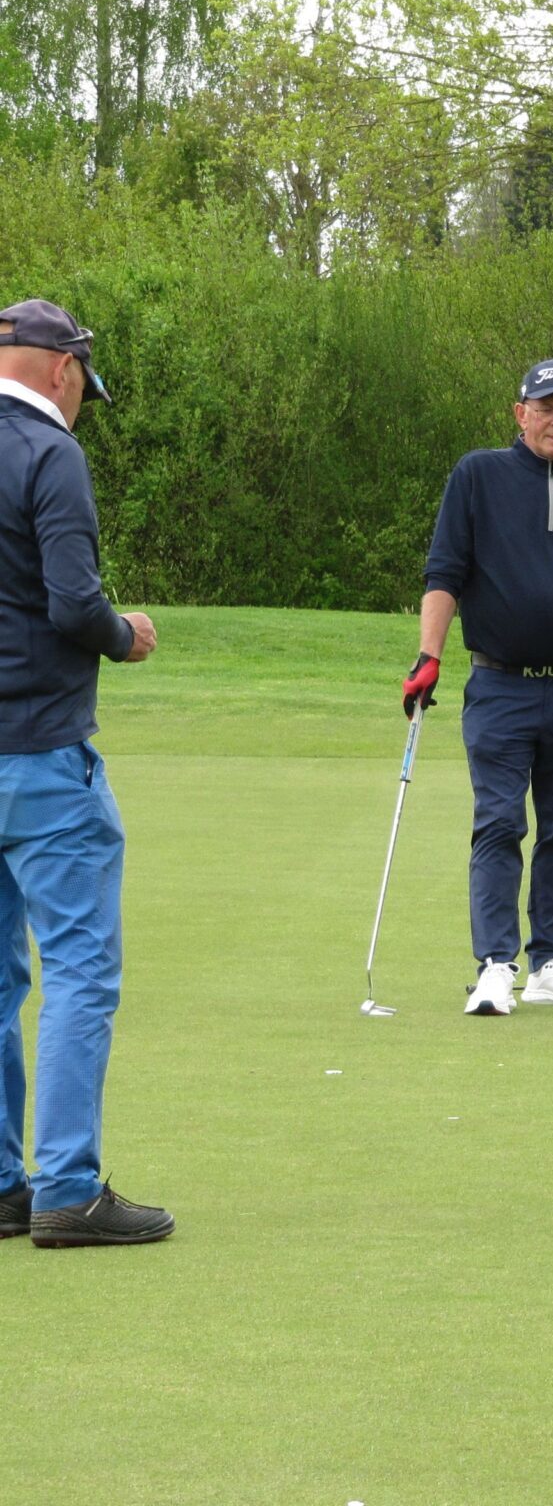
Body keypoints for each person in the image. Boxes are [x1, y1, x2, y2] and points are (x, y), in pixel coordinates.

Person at [0, 298, 174, 1246]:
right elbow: (74, 605)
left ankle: (2, 1186)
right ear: (64, 370)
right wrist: (125, 634)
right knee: (77, 968)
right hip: (39, 751)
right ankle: (66, 1186)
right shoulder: (49, 452)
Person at [404, 359, 553, 1015]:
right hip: (500, 686)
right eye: (546, 409)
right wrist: (428, 658)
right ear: (520, 414)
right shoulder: (478, 476)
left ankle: (551, 964)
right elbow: (445, 573)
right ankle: (495, 967)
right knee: (500, 822)